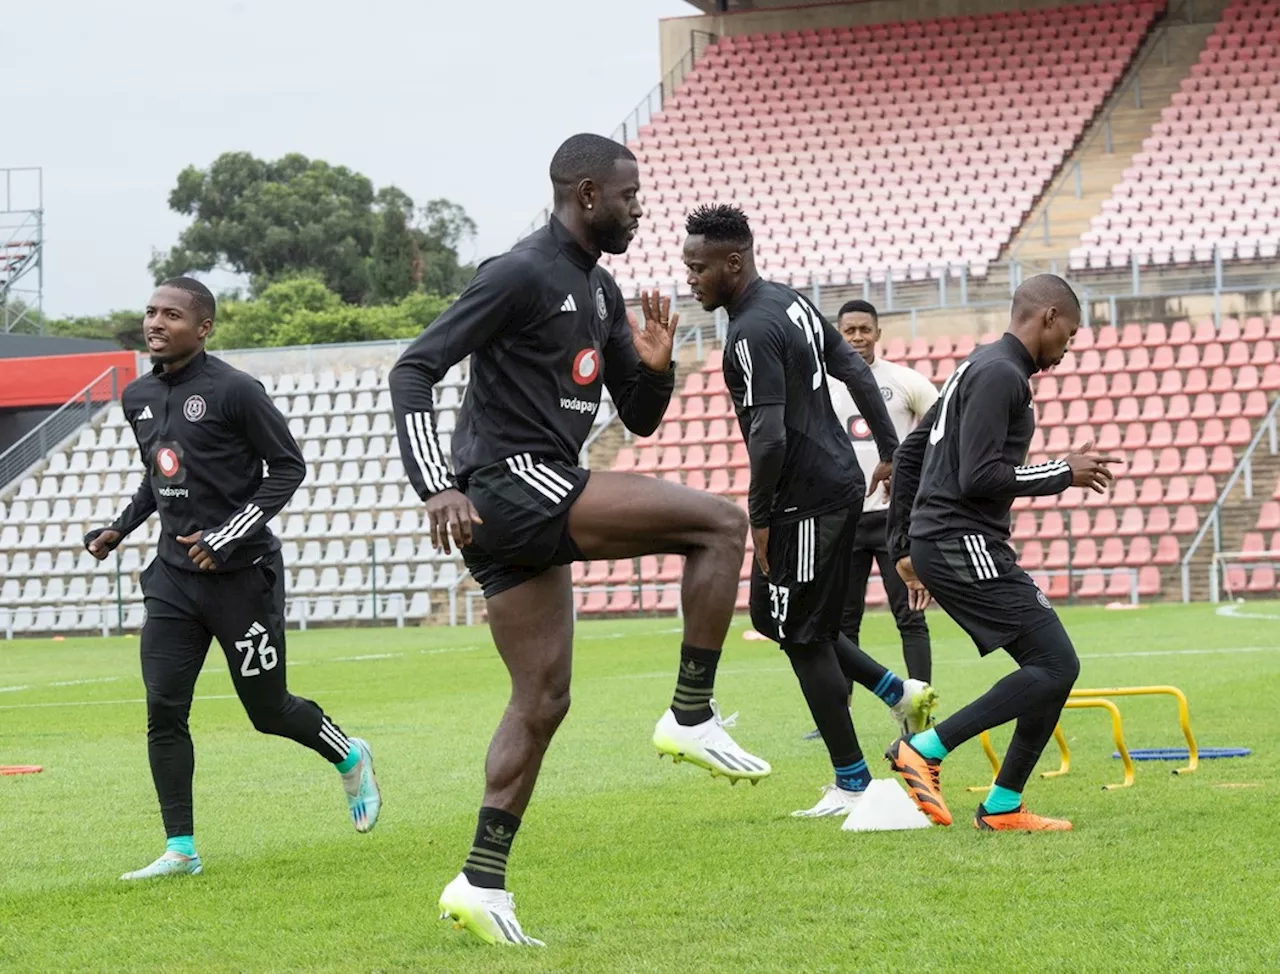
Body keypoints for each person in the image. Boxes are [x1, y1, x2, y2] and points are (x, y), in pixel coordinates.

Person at [389, 135, 767, 948]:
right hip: (507, 484)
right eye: (631, 196)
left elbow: (637, 415)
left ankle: (480, 881)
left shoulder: (600, 291)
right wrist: (437, 485)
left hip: (525, 505)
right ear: (588, 194)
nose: (642, 208)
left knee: (543, 700)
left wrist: (657, 366)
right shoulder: (520, 272)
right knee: (722, 524)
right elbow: (413, 369)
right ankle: (691, 715)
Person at [85, 277, 381, 882]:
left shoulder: (237, 391)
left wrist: (226, 537)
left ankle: (350, 756)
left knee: (268, 711)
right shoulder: (137, 396)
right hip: (172, 579)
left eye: (171, 314)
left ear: (204, 328)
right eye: (150, 312)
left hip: (243, 578)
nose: (156, 322)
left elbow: (288, 468)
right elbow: (159, 476)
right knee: (164, 709)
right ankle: (181, 848)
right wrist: (120, 528)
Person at [682, 204, 937, 820]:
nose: (689, 278)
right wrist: (886, 446)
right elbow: (849, 366)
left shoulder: (749, 332)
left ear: (733, 262)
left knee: (802, 636)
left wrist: (761, 517)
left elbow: (768, 437)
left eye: (698, 267)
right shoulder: (789, 300)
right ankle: (895, 690)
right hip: (832, 486)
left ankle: (852, 780)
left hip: (801, 502)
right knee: (774, 620)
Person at [885, 273, 1119, 832]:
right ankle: (926, 749)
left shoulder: (978, 364)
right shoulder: (1000, 374)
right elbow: (979, 475)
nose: (1069, 347)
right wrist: (1064, 471)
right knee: (1056, 664)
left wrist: (904, 545)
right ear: (1049, 318)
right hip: (961, 539)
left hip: (945, 539)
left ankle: (1003, 805)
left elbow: (911, 453)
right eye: (1071, 333)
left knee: (1050, 668)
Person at [801, 301, 938, 742]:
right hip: (842, 520)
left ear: (878, 333)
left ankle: (920, 709)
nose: (857, 337)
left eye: (865, 329)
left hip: (895, 520)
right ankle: (838, 715)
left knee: (911, 616)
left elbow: (941, 427)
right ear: (838, 334)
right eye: (849, 330)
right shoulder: (822, 384)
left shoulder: (904, 382)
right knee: (842, 623)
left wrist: (910, 469)